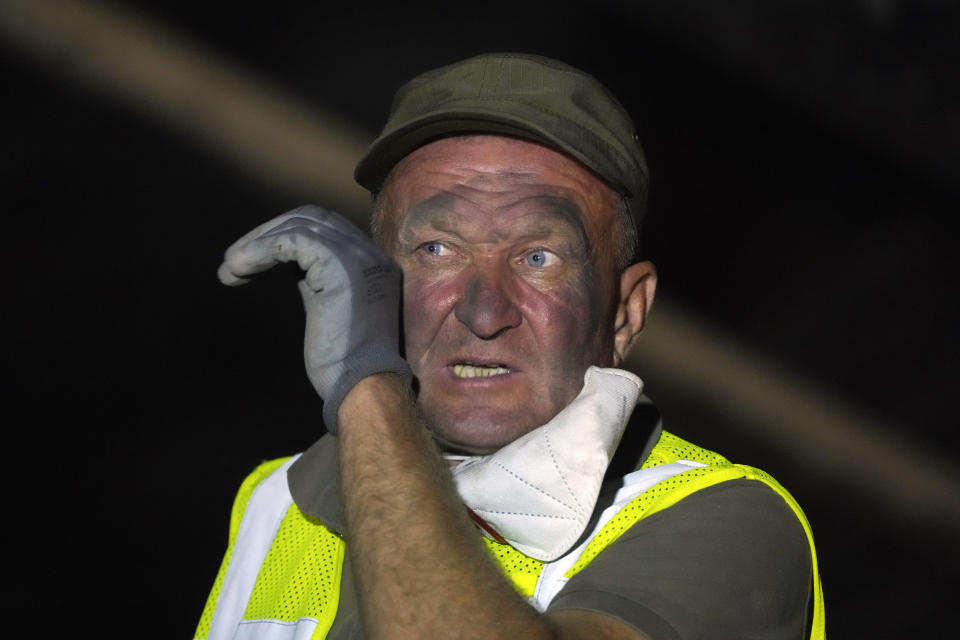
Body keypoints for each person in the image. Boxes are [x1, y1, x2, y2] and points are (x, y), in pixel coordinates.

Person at [195, 53, 825, 640]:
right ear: (374, 283)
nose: (483, 312)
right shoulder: (275, 499)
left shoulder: (725, 522)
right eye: (437, 249)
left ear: (626, 314)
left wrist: (366, 390)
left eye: (538, 256)